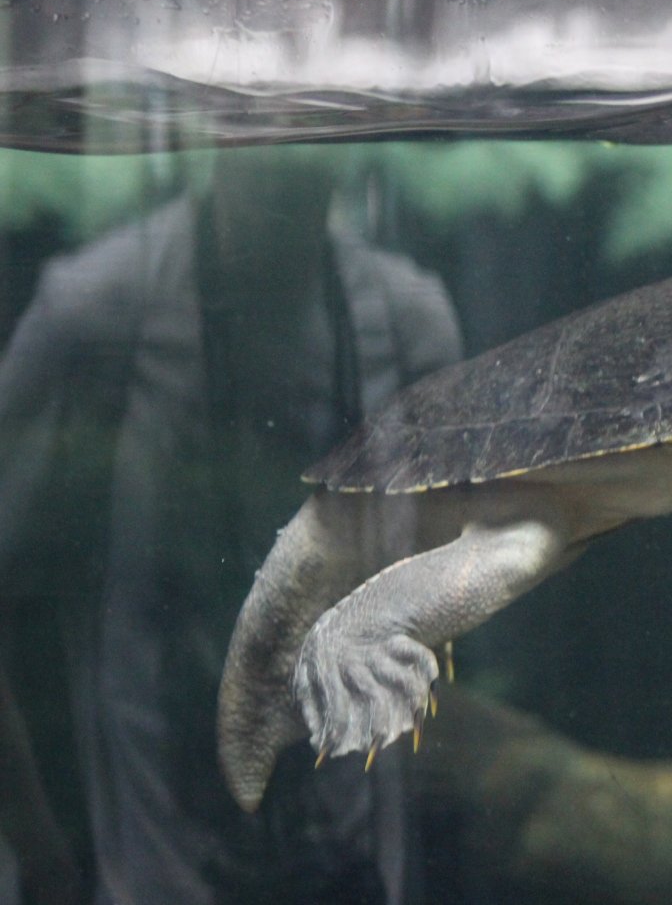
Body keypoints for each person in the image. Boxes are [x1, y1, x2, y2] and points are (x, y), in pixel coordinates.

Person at [0, 146, 461, 903]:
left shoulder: (412, 329)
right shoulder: (92, 314)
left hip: (351, 869)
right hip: (144, 873)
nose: (283, 153)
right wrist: (45, 856)